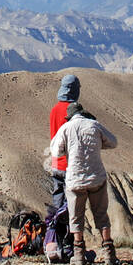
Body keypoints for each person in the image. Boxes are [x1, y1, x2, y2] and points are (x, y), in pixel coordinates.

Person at [50, 101, 119, 265]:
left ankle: (79, 254)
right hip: (96, 177)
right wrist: (96, 146)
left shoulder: (66, 128)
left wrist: (68, 149)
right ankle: (109, 252)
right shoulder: (94, 125)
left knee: (76, 217)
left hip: (75, 179)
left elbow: (55, 151)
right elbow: (113, 142)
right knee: (101, 215)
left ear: (70, 116)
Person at [48, 74, 79, 211]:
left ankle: (55, 230)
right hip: (69, 164)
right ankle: (70, 231)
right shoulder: (73, 111)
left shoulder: (54, 110)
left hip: (56, 163)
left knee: (57, 200)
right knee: (71, 204)